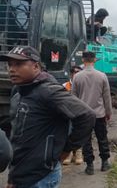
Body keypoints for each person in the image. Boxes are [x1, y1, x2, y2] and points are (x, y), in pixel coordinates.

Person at [1, 46, 95, 187]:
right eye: (10, 65)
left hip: (41, 177)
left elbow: (86, 115)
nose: (12, 69)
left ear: (36, 66)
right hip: (20, 173)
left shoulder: (48, 91)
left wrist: (65, 150)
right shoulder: (19, 92)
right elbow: (17, 136)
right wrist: (13, 177)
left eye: (19, 64)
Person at [72, 51, 113, 175]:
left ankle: (89, 166)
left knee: (86, 140)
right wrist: (108, 112)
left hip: (84, 115)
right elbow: (107, 97)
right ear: (94, 60)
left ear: (83, 60)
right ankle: (105, 163)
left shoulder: (77, 76)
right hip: (99, 114)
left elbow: (73, 98)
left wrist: (75, 114)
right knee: (102, 138)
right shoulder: (102, 76)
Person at [62, 66, 84, 165]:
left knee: (80, 133)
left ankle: (78, 153)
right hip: (68, 114)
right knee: (68, 133)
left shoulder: (84, 86)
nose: (77, 74)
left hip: (80, 113)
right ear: (71, 74)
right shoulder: (65, 86)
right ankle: (69, 153)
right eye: (76, 72)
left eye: (79, 72)